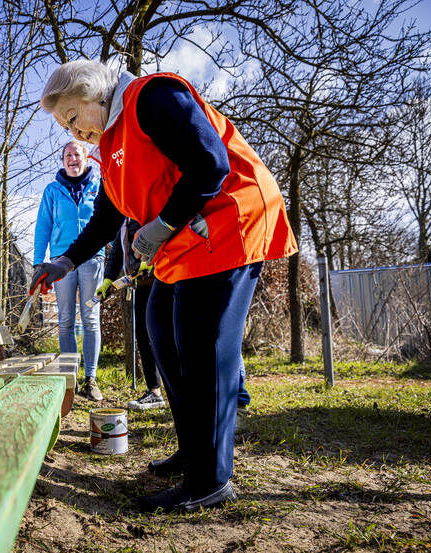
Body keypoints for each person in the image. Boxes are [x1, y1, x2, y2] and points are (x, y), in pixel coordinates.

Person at [30, 60, 297, 512]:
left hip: (230, 221)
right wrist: (65, 261)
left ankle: (211, 480)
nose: (74, 133)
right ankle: (196, 451)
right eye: (65, 127)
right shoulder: (111, 146)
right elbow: (107, 216)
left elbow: (209, 163)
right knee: (159, 326)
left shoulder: (151, 98)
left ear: (94, 94)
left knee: (202, 345)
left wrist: (161, 224)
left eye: (73, 118)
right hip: (190, 239)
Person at [33, 140, 106, 401]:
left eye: (77, 154)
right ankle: (69, 379)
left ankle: (91, 379)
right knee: (65, 319)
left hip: (92, 258)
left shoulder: (99, 186)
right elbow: (43, 227)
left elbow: (109, 221)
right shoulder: (52, 190)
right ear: (62, 161)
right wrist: (38, 263)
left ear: (85, 158)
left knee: (90, 317)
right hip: (60, 261)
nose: (72, 159)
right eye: (67, 155)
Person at [98, 218, 166, 411]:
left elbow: (166, 227)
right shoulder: (123, 217)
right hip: (142, 282)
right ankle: (154, 392)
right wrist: (108, 279)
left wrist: (153, 257)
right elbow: (119, 250)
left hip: (165, 277)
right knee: (144, 337)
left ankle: (187, 391)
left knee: (170, 335)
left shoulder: (146, 205)